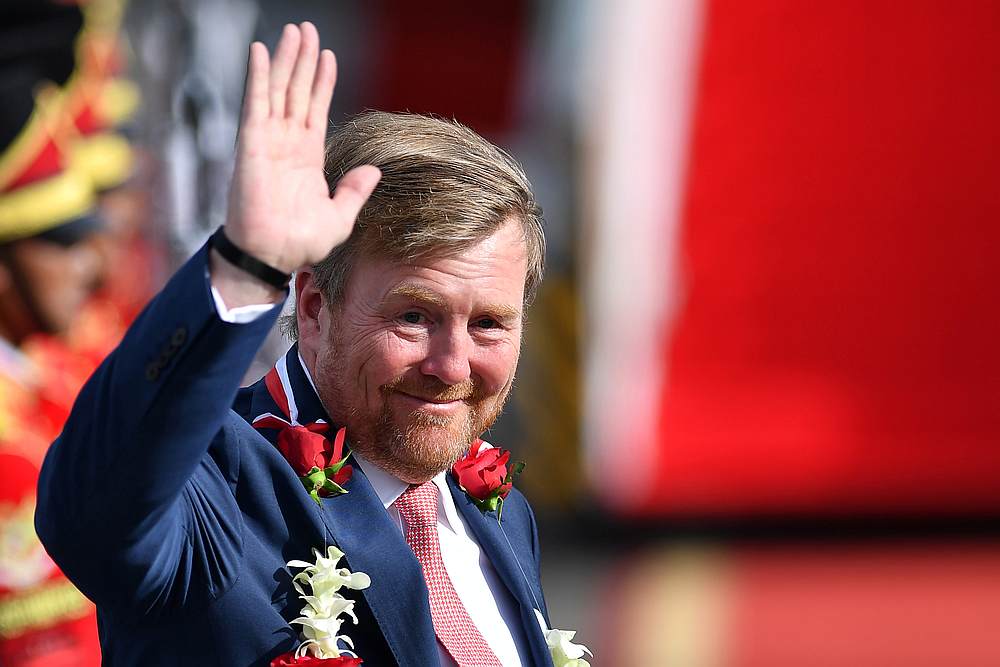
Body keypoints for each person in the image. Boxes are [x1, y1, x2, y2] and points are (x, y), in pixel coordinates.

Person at [37, 22, 553, 666]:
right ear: (313, 306)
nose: (451, 366)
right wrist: (245, 266)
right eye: (414, 318)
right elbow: (94, 505)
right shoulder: (217, 488)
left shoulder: (499, 515)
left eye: (489, 325)